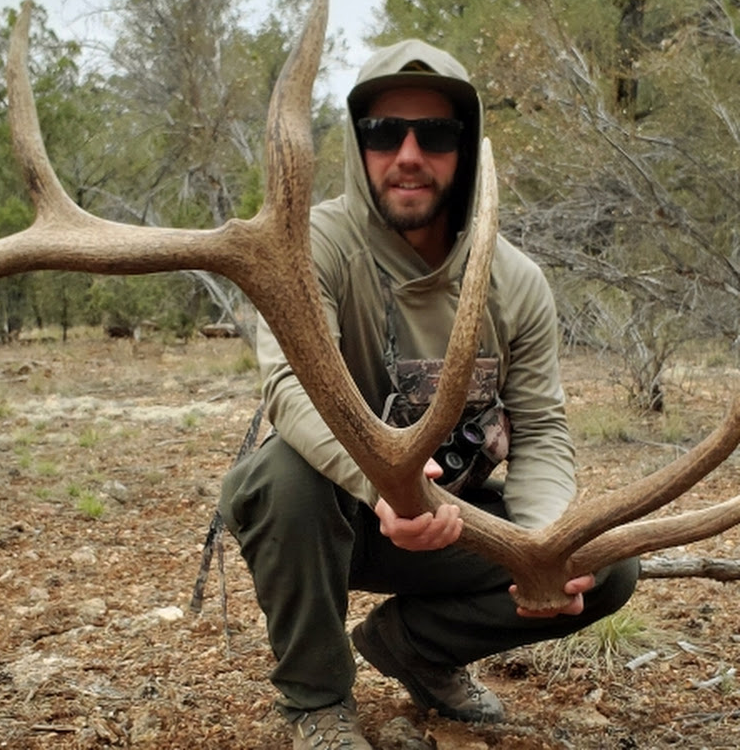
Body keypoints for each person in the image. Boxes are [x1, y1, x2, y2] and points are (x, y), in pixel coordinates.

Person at [219, 39, 639, 750]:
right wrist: (384, 485)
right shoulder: (309, 246)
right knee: (278, 477)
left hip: (455, 523)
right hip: (337, 518)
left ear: (466, 148)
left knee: (605, 563)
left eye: (436, 134)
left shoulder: (517, 281)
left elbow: (539, 431)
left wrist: (541, 546)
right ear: (357, 147)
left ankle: (415, 647)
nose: (408, 154)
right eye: (384, 133)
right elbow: (289, 388)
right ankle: (317, 703)